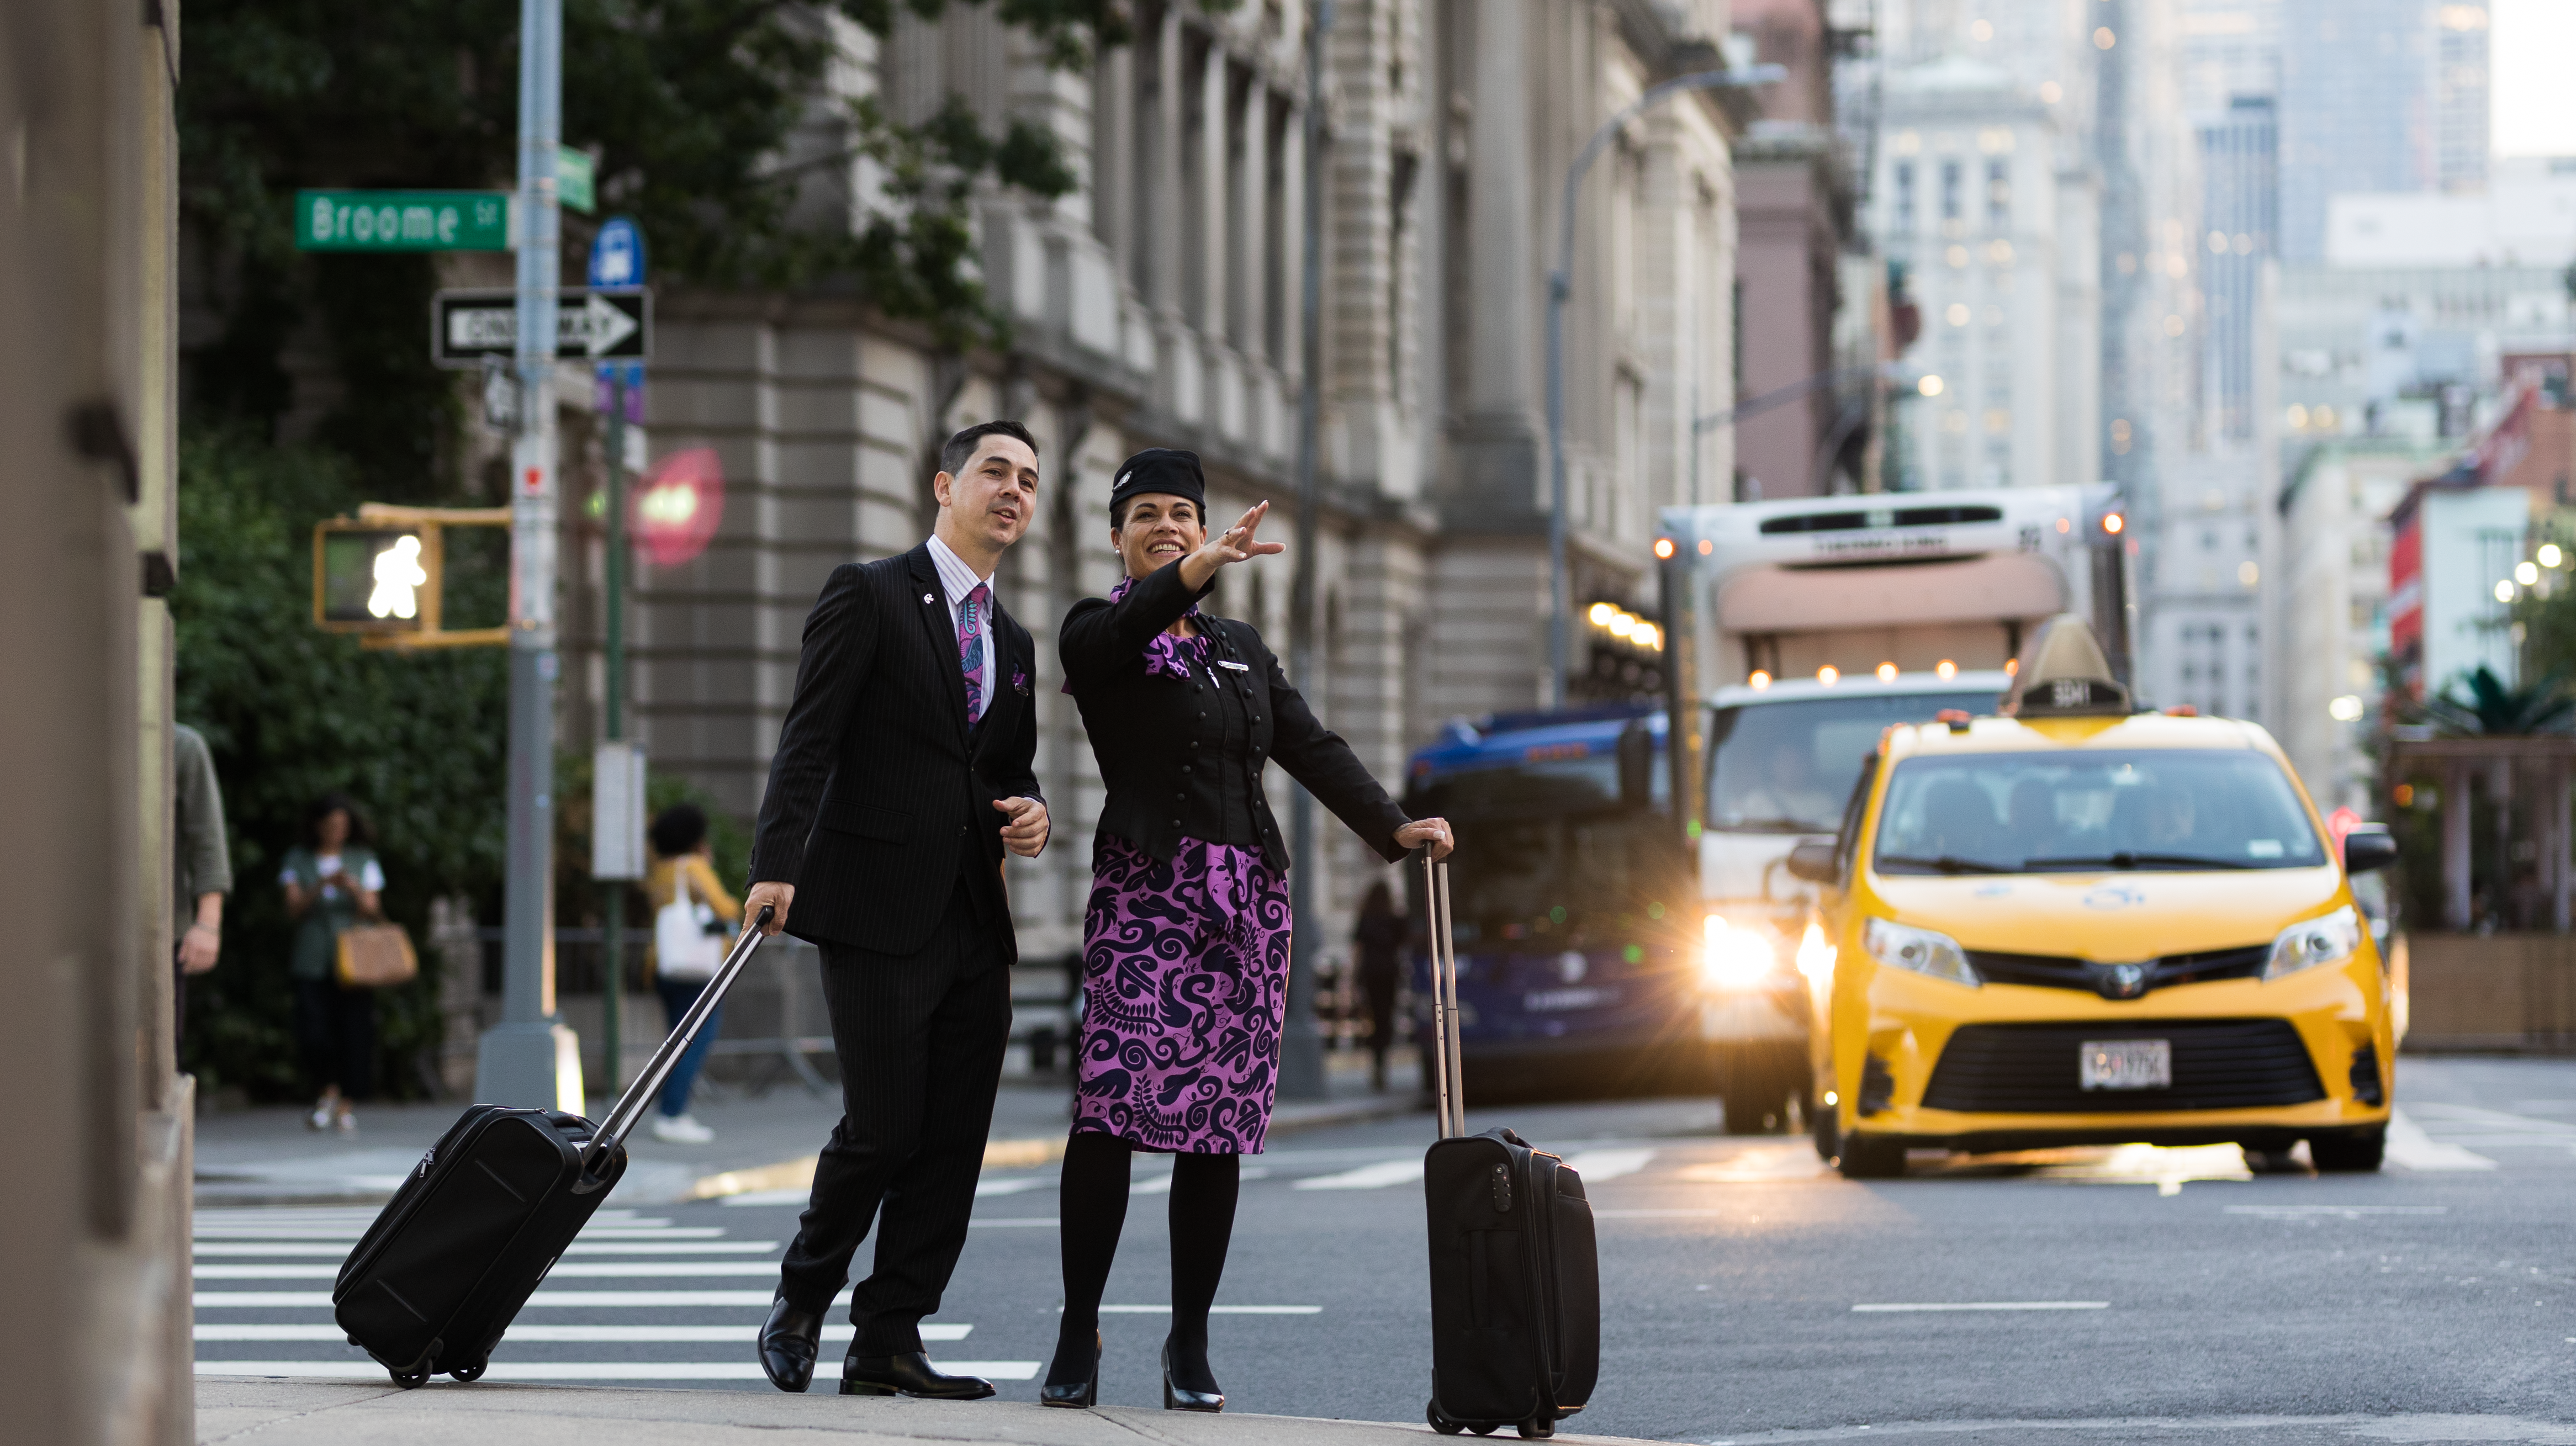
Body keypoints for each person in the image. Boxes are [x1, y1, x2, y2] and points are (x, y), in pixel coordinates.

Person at [1043, 447, 1454, 1412]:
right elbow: (1130, 626)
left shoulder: (1242, 646)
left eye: (1183, 512)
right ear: (1117, 534)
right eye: (1145, 512)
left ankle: (1189, 1339)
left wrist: (1395, 825)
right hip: (1147, 897)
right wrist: (1192, 569)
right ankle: (1076, 1325)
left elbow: (1309, 742)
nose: (1168, 524)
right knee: (1109, 1113)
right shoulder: (1095, 629)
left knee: (1213, 1128)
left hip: (1247, 908)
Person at [743, 420, 1051, 1400]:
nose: (1014, 489)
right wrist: (775, 863)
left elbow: (1002, 765)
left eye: (1030, 480)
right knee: (880, 1128)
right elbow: (810, 735)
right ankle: (801, 1297)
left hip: (971, 916)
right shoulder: (868, 593)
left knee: (955, 1139)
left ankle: (889, 1336)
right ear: (944, 485)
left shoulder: (1012, 637)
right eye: (996, 471)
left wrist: (1032, 807)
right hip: (875, 905)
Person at [279, 792, 383, 1134]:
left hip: (354, 961)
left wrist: (351, 887)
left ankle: (347, 1103)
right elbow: (292, 909)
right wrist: (321, 884)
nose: (336, 831)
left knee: (354, 1031)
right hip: (312, 959)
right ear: (317, 826)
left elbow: (373, 910)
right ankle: (326, 1093)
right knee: (314, 1031)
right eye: (330, 825)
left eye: (342, 825)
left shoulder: (362, 859)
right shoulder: (299, 859)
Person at [644, 803, 740, 1144]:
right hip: (697, 969)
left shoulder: (659, 871)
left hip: (664, 964)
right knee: (694, 1041)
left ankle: (664, 1109)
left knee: (674, 1042)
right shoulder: (694, 867)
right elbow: (727, 908)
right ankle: (672, 1115)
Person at [172, 722, 234, 1050]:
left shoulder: (181, 746)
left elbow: (207, 841)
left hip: (162, 929)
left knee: (160, 1050)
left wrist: (208, 923)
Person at [1352, 881, 1406, 1093]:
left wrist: (1353, 978)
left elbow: (1358, 949)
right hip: (1390, 973)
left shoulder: (1366, 918)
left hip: (1370, 973)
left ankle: (1376, 1062)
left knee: (1373, 1018)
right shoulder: (1394, 919)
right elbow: (1404, 944)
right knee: (1386, 1017)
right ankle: (1383, 1063)